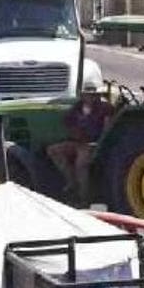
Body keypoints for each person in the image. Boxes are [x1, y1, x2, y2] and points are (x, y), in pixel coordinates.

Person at [52, 77, 111, 205]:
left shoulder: (105, 107)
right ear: (83, 95)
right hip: (77, 142)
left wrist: (98, 142)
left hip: (93, 143)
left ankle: (83, 197)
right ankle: (71, 180)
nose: (90, 97)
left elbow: (106, 129)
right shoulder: (78, 106)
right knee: (54, 150)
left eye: (93, 95)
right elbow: (67, 121)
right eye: (87, 94)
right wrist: (74, 131)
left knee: (81, 165)